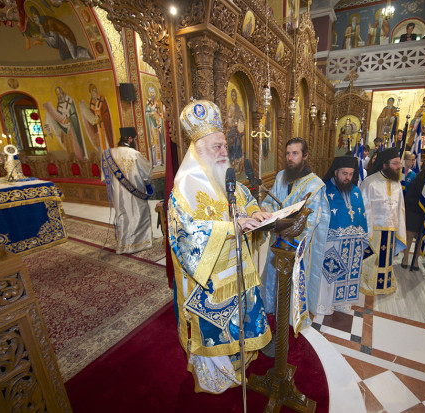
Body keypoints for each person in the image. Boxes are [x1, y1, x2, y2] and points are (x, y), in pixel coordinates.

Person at [167, 100, 272, 393]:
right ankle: (216, 374)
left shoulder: (225, 174)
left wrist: (255, 213)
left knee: (239, 318)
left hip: (236, 265)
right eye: (217, 147)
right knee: (214, 328)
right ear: (199, 150)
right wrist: (231, 228)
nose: (225, 151)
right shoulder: (184, 188)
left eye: (225, 145)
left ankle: (238, 361)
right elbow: (186, 235)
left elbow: (244, 198)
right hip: (208, 276)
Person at [262, 137, 330, 326]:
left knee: (294, 281)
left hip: (296, 245)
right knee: (272, 276)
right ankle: (271, 309)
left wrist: (288, 229)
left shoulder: (315, 185)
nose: (290, 158)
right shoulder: (281, 176)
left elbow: (312, 219)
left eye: (295, 153)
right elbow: (271, 202)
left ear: (305, 156)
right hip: (277, 241)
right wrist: (265, 210)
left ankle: (292, 320)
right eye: (287, 153)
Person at [315, 156, 368, 315]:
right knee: (329, 273)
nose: (348, 178)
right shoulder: (325, 190)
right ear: (335, 172)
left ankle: (342, 303)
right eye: (344, 173)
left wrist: (363, 236)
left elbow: (361, 215)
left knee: (349, 272)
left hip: (353, 243)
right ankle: (324, 304)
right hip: (330, 242)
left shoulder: (356, 191)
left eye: (351, 174)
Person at [359, 147, 406, 295]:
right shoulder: (370, 182)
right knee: (372, 259)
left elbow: (400, 208)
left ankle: (385, 284)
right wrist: (367, 232)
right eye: (395, 163)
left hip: (391, 230)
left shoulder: (397, 183)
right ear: (385, 164)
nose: (399, 166)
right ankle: (368, 283)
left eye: (399, 163)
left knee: (386, 260)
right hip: (374, 231)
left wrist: (400, 228)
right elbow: (364, 209)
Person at [101, 127, 153, 254]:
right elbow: (146, 173)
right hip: (135, 193)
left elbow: (104, 178)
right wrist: (148, 185)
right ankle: (139, 243)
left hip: (118, 194)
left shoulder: (108, 154)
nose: (135, 141)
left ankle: (124, 244)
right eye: (134, 139)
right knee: (137, 214)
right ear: (129, 139)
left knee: (123, 216)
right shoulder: (134, 154)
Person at [400, 166, 425, 270]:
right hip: (413, 212)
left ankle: (415, 260)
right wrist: (420, 205)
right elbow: (408, 198)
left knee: (420, 239)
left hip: (424, 215)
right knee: (409, 237)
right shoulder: (416, 182)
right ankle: (405, 258)